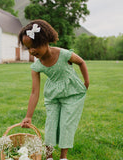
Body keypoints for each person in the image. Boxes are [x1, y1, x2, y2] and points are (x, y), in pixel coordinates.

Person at [18, 19, 89, 160]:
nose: (32, 51)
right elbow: (34, 92)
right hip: (53, 96)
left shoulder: (63, 54)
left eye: (34, 46)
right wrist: (28, 116)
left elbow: (81, 62)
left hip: (72, 93)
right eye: (28, 48)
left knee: (66, 125)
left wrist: (86, 81)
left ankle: (63, 157)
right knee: (51, 124)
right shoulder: (36, 66)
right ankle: (49, 156)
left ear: (45, 41)